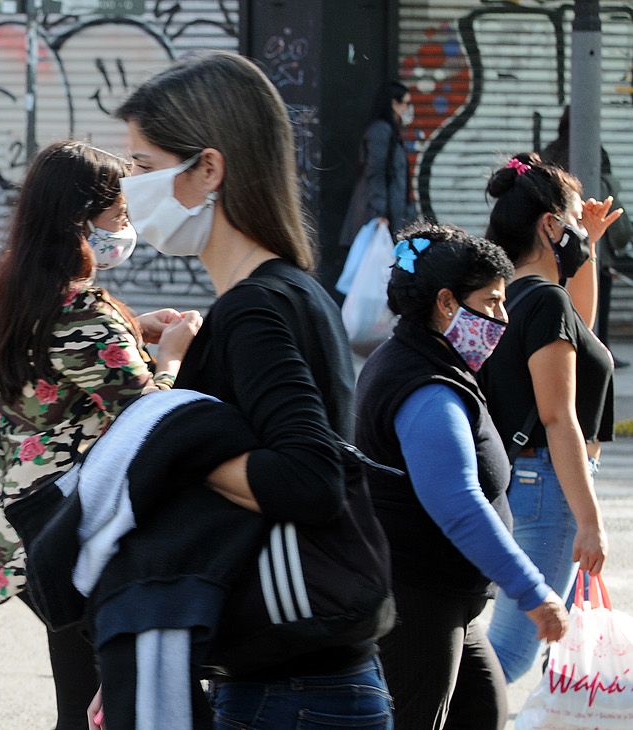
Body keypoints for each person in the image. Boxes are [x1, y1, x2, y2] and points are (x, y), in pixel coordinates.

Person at [88, 51, 395, 728]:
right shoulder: (287, 293)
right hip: (297, 682)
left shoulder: (256, 308)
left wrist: (173, 443)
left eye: (141, 165)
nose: (129, 186)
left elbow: (310, 476)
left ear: (209, 170)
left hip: (291, 692)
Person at [0, 140, 198, 728]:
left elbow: (77, 366)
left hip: (32, 521)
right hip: (65, 528)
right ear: (80, 220)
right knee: (107, 700)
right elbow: (147, 419)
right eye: (120, 213)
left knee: (80, 696)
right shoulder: (81, 312)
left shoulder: (27, 287)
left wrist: (136, 327)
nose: (127, 223)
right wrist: (172, 356)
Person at [356, 223, 568, 728]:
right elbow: (459, 504)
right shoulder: (425, 388)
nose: (502, 317)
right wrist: (533, 592)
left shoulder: (417, 357)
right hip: (420, 602)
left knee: (482, 713)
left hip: (445, 599)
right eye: (492, 302)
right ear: (447, 303)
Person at [479, 152, 622, 683]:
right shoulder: (544, 305)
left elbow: (580, 336)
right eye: (569, 221)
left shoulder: (514, 297)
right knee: (510, 653)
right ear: (548, 225)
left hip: (522, 481)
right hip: (548, 487)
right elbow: (559, 417)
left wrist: (586, 249)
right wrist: (590, 519)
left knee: (502, 647)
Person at [542, 107, 633, 367]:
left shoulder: (550, 152)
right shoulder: (596, 150)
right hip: (593, 238)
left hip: (558, 240)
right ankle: (596, 346)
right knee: (596, 294)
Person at [339, 81, 416, 252]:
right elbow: (376, 172)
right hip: (381, 216)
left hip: (392, 214)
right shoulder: (381, 131)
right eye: (406, 103)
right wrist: (378, 213)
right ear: (393, 104)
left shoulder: (391, 132)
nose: (408, 109)